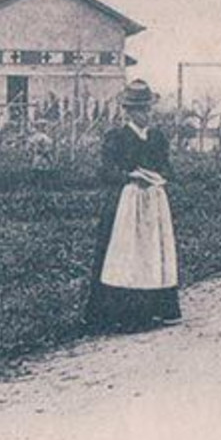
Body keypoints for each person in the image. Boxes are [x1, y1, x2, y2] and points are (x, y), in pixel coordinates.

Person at [85, 79, 182, 331]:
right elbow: (106, 172)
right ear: (128, 111)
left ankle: (157, 309)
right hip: (126, 204)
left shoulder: (157, 138)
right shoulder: (117, 138)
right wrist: (130, 176)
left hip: (153, 202)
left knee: (153, 252)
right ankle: (124, 314)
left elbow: (167, 167)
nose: (146, 115)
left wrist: (161, 176)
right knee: (125, 255)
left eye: (148, 109)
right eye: (140, 110)